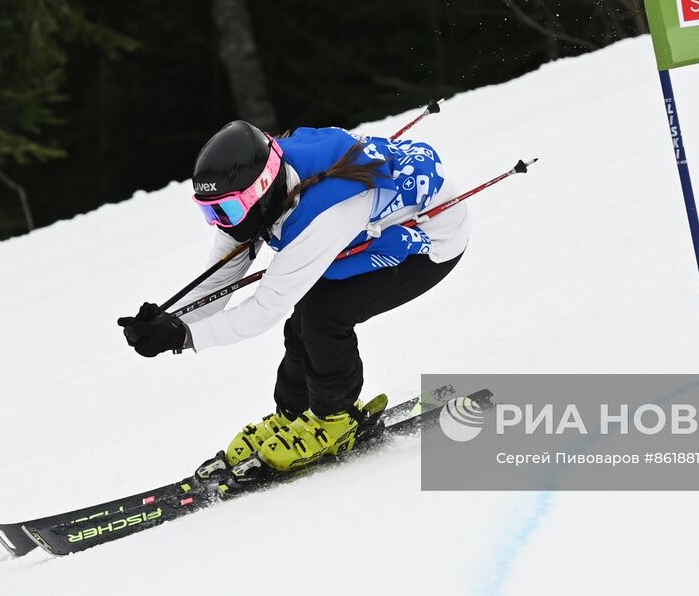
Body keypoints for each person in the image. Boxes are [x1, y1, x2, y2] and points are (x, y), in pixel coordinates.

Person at [118, 120, 470, 482]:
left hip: (428, 241)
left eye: (227, 212)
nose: (220, 224)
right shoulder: (261, 198)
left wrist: (184, 338)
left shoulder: (325, 212)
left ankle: (335, 419)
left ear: (262, 188)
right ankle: (294, 412)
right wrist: (170, 320)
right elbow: (223, 274)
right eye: (210, 212)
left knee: (324, 314)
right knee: (305, 315)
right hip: (365, 233)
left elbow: (262, 310)